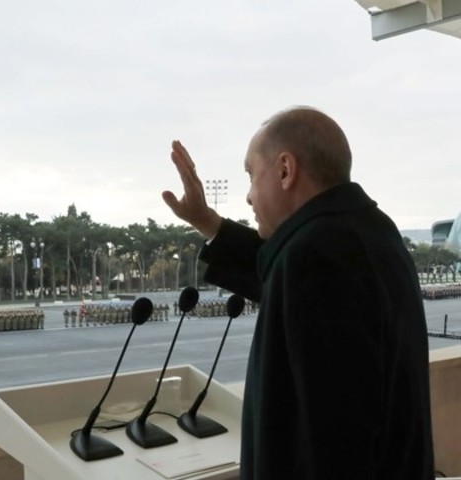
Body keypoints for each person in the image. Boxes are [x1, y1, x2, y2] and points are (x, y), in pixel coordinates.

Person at [162, 106, 434, 480]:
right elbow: (276, 271)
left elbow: (329, 439)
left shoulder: (316, 255)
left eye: (252, 175)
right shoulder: (365, 231)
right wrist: (206, 220)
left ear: (285, 170)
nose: (248, 197)